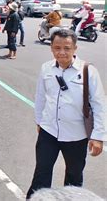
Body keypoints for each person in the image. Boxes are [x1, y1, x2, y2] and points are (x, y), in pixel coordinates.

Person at [26, 29, 105, 198]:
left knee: (74, 177)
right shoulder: (46, 68)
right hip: (49, 132)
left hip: (77, 135)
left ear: (75, 48)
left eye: (67, 48)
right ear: (51, 48)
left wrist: (98, 136)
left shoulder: (88, 71)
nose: (62, 52)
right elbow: (40, 97)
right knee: (41, 173)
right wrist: (39, 121)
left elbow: (99, 104)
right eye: (57, 47)